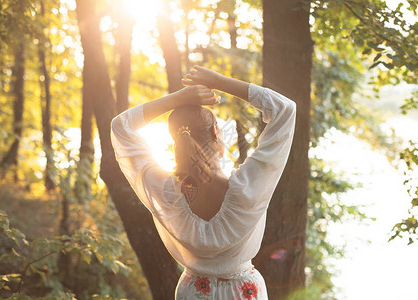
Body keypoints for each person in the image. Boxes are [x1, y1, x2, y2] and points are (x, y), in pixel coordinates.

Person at [110, 66, 296, 299]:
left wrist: (178, 98)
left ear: (175, 140)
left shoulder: (165, 193)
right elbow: (286, 110)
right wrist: (220, 81)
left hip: (192, 293)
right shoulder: (250, 186)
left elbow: (121, 126)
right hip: (244, 293)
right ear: (216, 134)